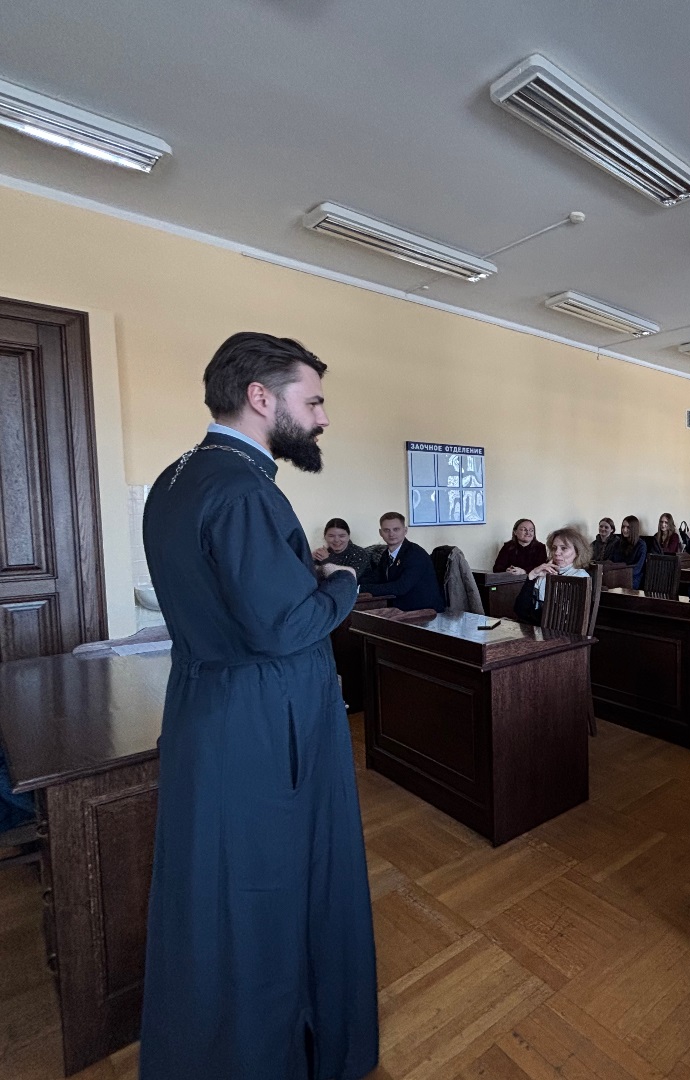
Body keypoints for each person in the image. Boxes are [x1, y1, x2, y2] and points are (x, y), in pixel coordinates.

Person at [139, 332, 377, 1079]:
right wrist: (342, 582)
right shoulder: (246, 487)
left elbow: (227, 590)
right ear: (261, 397)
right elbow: (283, 626)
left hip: (207, 707)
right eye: (314, 402)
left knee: (215, 894)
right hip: (265, 722)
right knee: (272, 894)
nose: (323, 419)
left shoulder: (177, 477)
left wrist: (295, 575)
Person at [357, 512, 446, 611]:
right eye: (386, 530)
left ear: (405, 530)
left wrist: (361, 589)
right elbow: (376, 577)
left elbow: (400, 587)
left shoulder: (415, 554)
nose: (391, 534)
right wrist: (351, 583)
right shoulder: (386, 554)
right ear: (380, 533)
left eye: (396, 529)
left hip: (424, 613)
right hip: (400, 609)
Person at [513, 527, 592, 625]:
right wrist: (532, 576)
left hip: (562, 635)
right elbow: (520, 611)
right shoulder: (544, 574)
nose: (557, 553)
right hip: (537, 630)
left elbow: (561, 619)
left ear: (577, 552)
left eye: (564, 548)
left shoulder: (580, 577)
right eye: (554, 548)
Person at [611, 515, 648, 588]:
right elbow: (612, 561)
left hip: (632, 579)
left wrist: (619, 572)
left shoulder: (641, 545)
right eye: (623, 527)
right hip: (616, 576)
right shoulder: (617, 543)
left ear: (634, 529)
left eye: (628, 527)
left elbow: (637, 569)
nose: (624, 530)